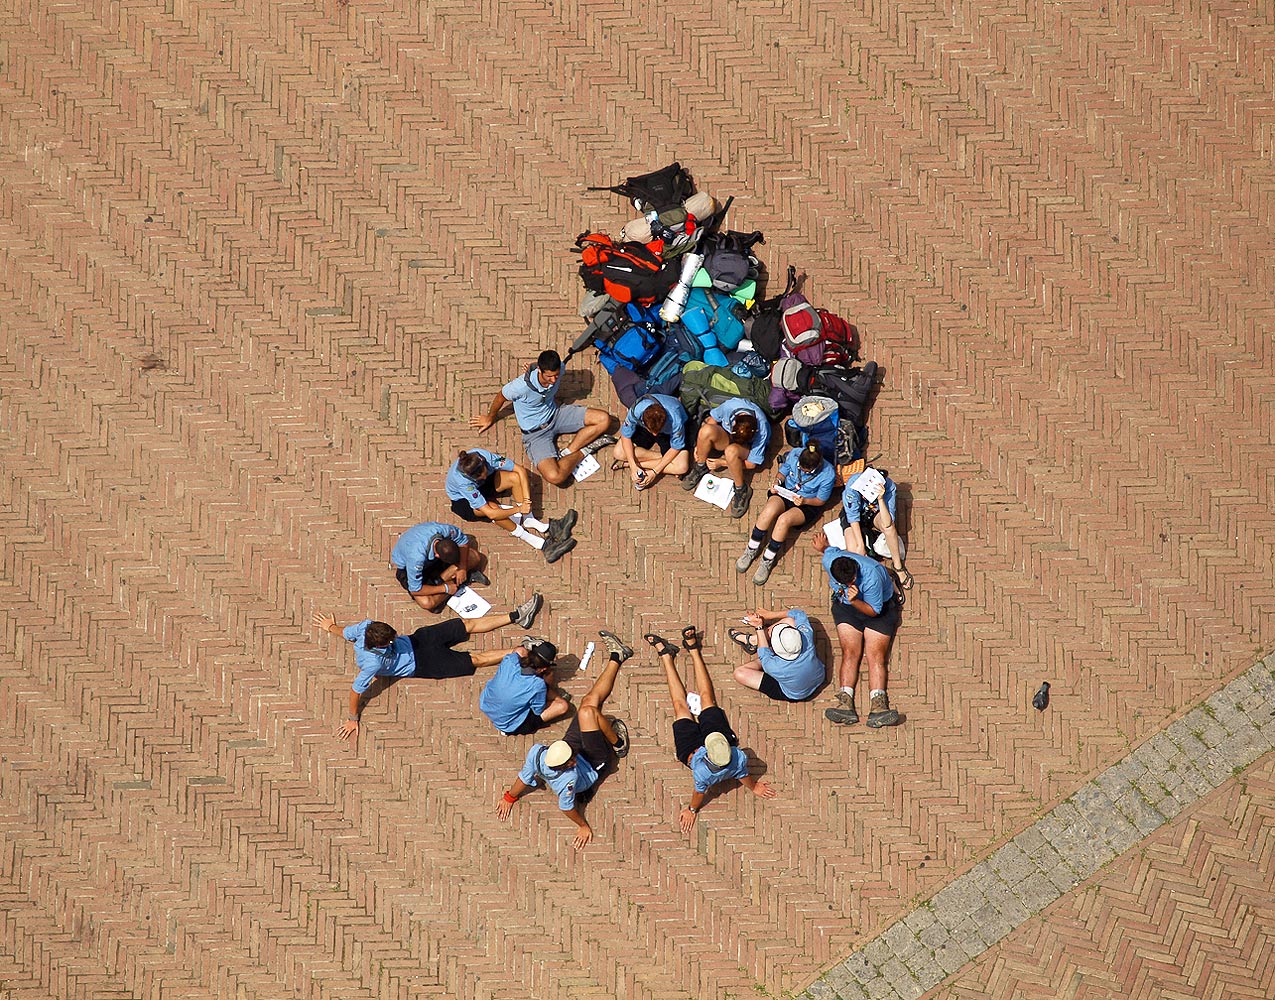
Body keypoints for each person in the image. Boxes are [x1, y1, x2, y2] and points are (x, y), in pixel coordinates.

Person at [312, 592, 543, 746]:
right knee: (475, 659)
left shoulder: (367, 627)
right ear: (379, 645)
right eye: (391, 641)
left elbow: (346, 633)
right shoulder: (372, 663)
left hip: (420, 640)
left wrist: (330, 626)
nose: (395, 638)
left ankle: (517, 616)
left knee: (466, 625)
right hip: (423, 664)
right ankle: (521, 650)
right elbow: (355, 691)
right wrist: (353, 718)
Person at [495, 631, 634, 850]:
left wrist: (509, 797)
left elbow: (523, 777)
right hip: (593, 762)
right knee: (590, 712)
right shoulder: (568, 780)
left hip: (575, 750)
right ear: (568, 764)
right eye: (570, 761)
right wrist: (583, 825)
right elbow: (567, 808)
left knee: (588, 703)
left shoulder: (538, 754)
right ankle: (618, 745)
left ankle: (617, 656)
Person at [647, 626, 777, 832]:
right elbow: (743, 775)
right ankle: (694, 651)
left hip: (689, 748)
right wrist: (754, 787)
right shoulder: (737, 757)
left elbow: (699, 794)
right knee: (707, 697)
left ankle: (666, 657)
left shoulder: (702, 774)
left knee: (679, 706)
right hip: (716, 743)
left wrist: (692, 809)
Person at [470, 350, 616, 487]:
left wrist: (535, 365)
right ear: (540, 370)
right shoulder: (520, 387)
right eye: (549, 376)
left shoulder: (560, 368)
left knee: (604, 419)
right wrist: (490, 417)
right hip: (535, 434)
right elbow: (501, 396)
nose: (553, 380)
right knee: (555, 476)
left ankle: (568, 453)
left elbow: (551, 368)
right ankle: (586, 450)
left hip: (557, 415)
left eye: (556, 375)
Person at [814, 533, 903, 728]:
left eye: (854, 578)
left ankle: (879, 707)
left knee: (876, 656)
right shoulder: (831, 561)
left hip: (877, 610)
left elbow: (873, 611)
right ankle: (845, 703)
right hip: (847, 608)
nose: (853, 582)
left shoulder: (871, 576)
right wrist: (823, 546)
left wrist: (854, 600)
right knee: (849, 653)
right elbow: (827, 551)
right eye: (848, 582)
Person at [445, 448, 578, 563]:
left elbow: (519, 470)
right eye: (480, 477)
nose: (484, 476)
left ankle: (532, 522)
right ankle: (541, 544)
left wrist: (526, 501)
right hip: (463, 501)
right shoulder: (464, 483)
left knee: (514, 477)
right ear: (472, 477)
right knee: (493, 510)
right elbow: (491, 514)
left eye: (485, 472)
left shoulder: (482, 456)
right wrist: (519, 509)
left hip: (481, 486)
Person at [736, 442, 835, 584]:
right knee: (769, 510)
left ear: (817, 466)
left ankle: (768, 559)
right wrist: (777, 481)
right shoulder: (795, 454)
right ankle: (751, 548)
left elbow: (820, 500)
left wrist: (805, 501)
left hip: (806, 503)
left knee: (784, 520)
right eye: (801, 468)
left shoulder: (828, 474)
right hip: (786, 492)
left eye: (808, 471)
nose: (803, 472)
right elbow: (783, 472)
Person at [681, 398, 771, 519]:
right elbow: (712, 421)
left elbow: (751, 464)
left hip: (745, 448)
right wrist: (700, 444)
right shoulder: (730, 406)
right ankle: (701, 466)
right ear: (734, 423)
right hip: (728, 435)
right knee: (705, 430)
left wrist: (723, 463)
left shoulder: (762, 429)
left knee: (731, 451)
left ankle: (741, 489)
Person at [729, 607, 825, 702]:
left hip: (795, 694)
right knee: (790, 620)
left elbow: (764, 652)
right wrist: (769, 615)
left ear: (775, 649)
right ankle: (753, 640)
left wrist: (759, 626)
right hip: (819, 677)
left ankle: (752, 641)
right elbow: (798, 614)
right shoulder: (806, 637)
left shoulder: (772, 666)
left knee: (739, 673)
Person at [479, 637, 571, 734]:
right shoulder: (537, 684)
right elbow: (538, 710)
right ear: (543, 669)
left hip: (486, 703)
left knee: (519, 650)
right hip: (509, 724)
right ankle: (507, 731)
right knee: (562, 706)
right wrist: (547, 684)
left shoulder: (510, 659)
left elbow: (519, 652)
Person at [389, 522, 486, 613]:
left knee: (474, 557)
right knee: (427, 603)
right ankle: (455, 583)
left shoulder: (445, 530)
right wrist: (445, 589)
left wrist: (462, 567)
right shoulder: (416, 558)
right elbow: (415, 590)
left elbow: (463, 541)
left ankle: (445, 581)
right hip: (409, 568)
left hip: (431, 560)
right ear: (438, 556)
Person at [840, 466, 912, 590]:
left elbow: (888, 521)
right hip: (856, 516)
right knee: (855, 551)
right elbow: (853, 516)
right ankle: (882, 575)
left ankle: (898, 567)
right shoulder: (853, 484)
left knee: (889, 528)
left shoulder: (890, 487)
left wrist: (880, 499)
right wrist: (860, 545)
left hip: (874, 513)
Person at [611, 393, 691, 491]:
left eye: (656, 432)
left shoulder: (675, 420)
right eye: (652, 431)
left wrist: (654, 472)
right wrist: (633, 466)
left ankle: (626, 464)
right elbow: (625, 436)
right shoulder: (637, 410)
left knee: (682, 467)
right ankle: (666, 460)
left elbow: (676, 447)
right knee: (618, 453)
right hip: (648, 427)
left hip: (667, 433)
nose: (654, 434)